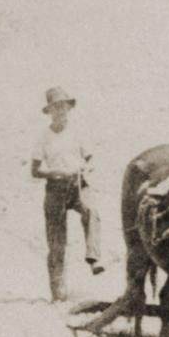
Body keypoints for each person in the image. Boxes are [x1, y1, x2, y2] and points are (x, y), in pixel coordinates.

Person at [31, 86, 103, 303]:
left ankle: (94, 258)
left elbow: (90, 158)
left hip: (78, 184)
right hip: (55, 188)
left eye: (63, 107)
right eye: (56, 107)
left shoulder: (78, 132)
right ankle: (58, 293)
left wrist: (86, 168)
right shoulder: (43, 137)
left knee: (91, 210)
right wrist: (53, 172)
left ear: (68, 109)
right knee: (56, 243)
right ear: (50, 111)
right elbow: (34, 170)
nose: (60, 111)